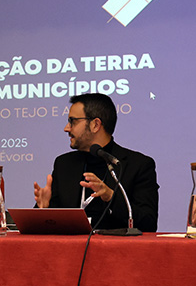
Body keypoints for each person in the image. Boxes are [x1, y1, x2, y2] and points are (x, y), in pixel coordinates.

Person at [33, 93, 158, 232]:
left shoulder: (137, 165)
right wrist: (43, 210)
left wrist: (111, 197)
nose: (66, 128)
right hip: (69, 251)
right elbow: (49, 227)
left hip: (117, 251)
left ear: (95, 124)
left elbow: (149, 223)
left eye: (72, 121)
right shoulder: (64, 164)